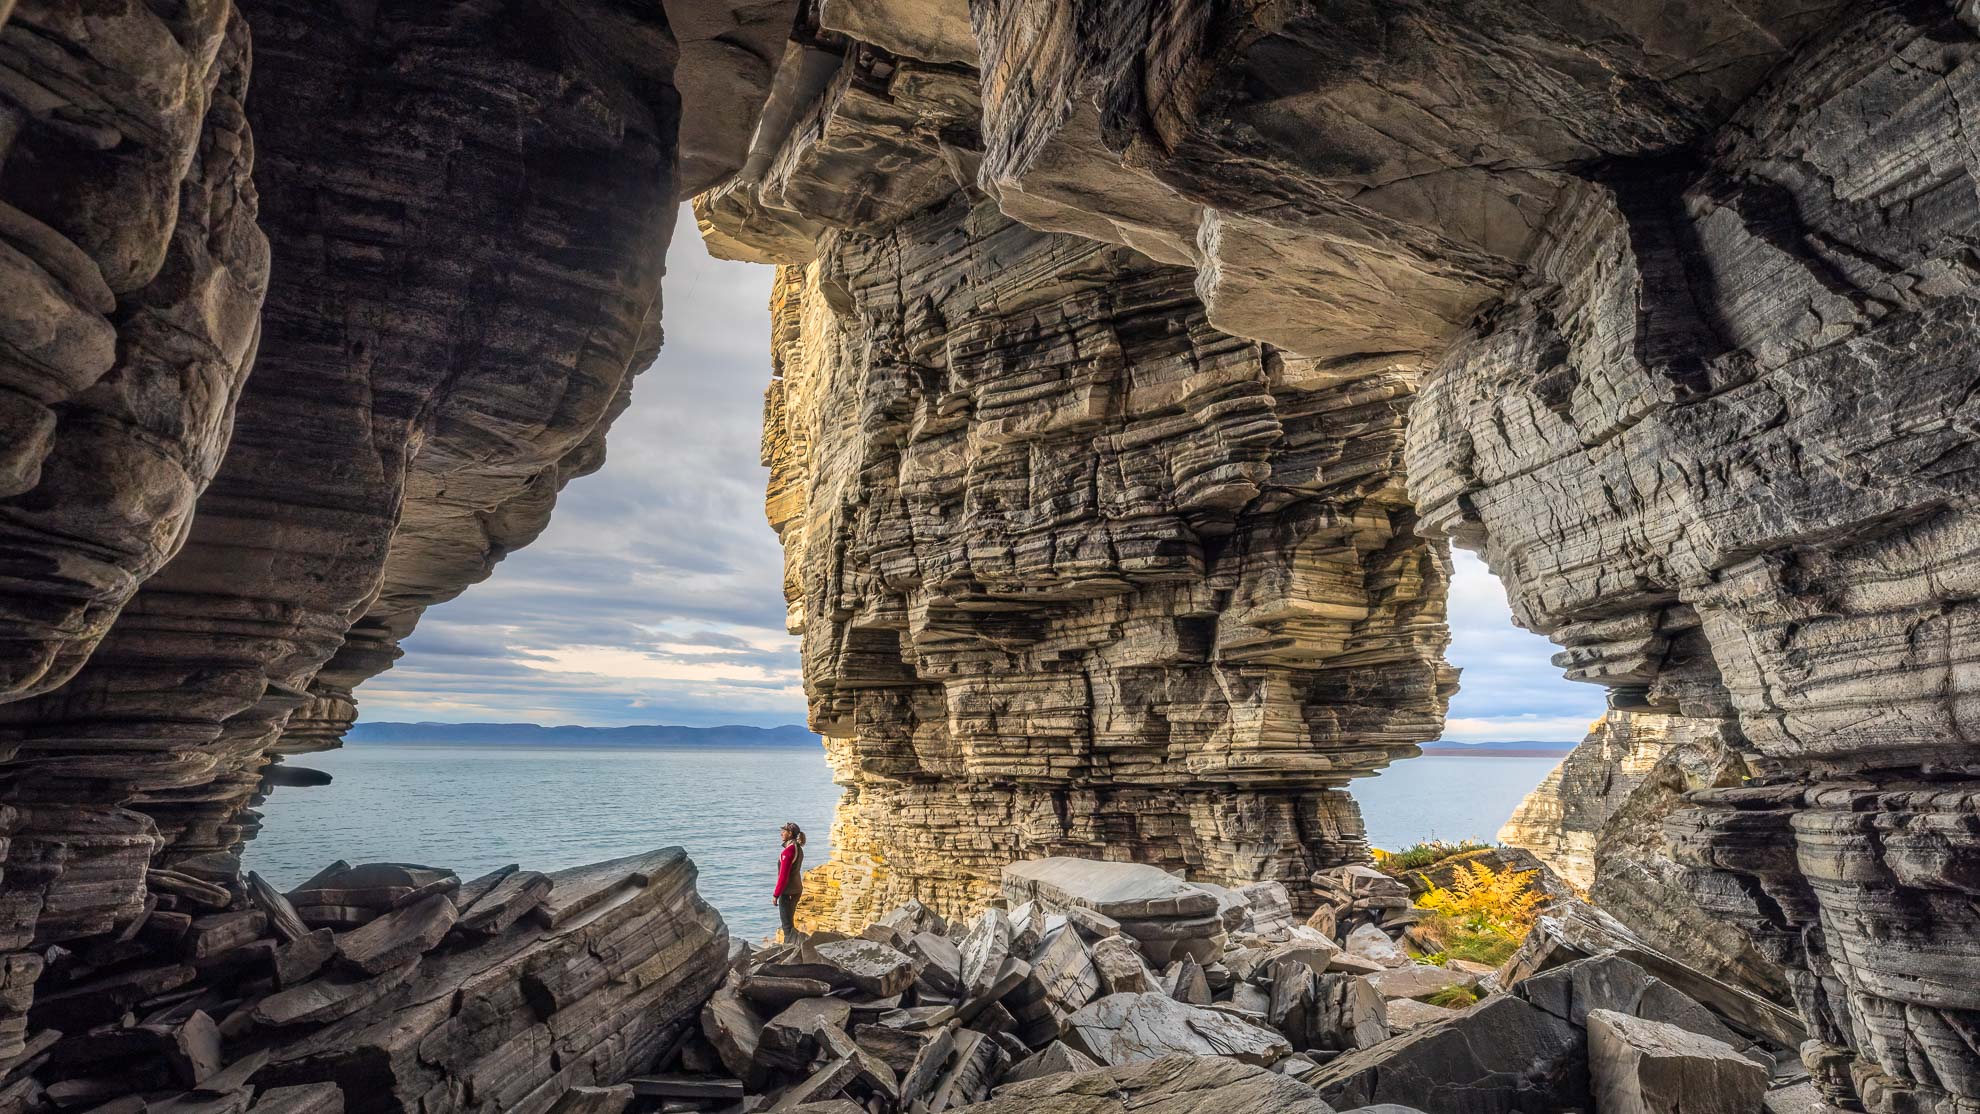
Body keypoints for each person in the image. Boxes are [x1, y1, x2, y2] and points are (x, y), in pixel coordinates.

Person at [773, 822, 806, 942]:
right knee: (790, 922)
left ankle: (790, 949)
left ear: (790, 833)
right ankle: (797, 947)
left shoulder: (788, 851)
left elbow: (783, 876)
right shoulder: (798, 847)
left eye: (784, 831)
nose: (781, 833)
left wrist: (776, 895)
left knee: (786, 926)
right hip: (796, 888)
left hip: (788, 891)